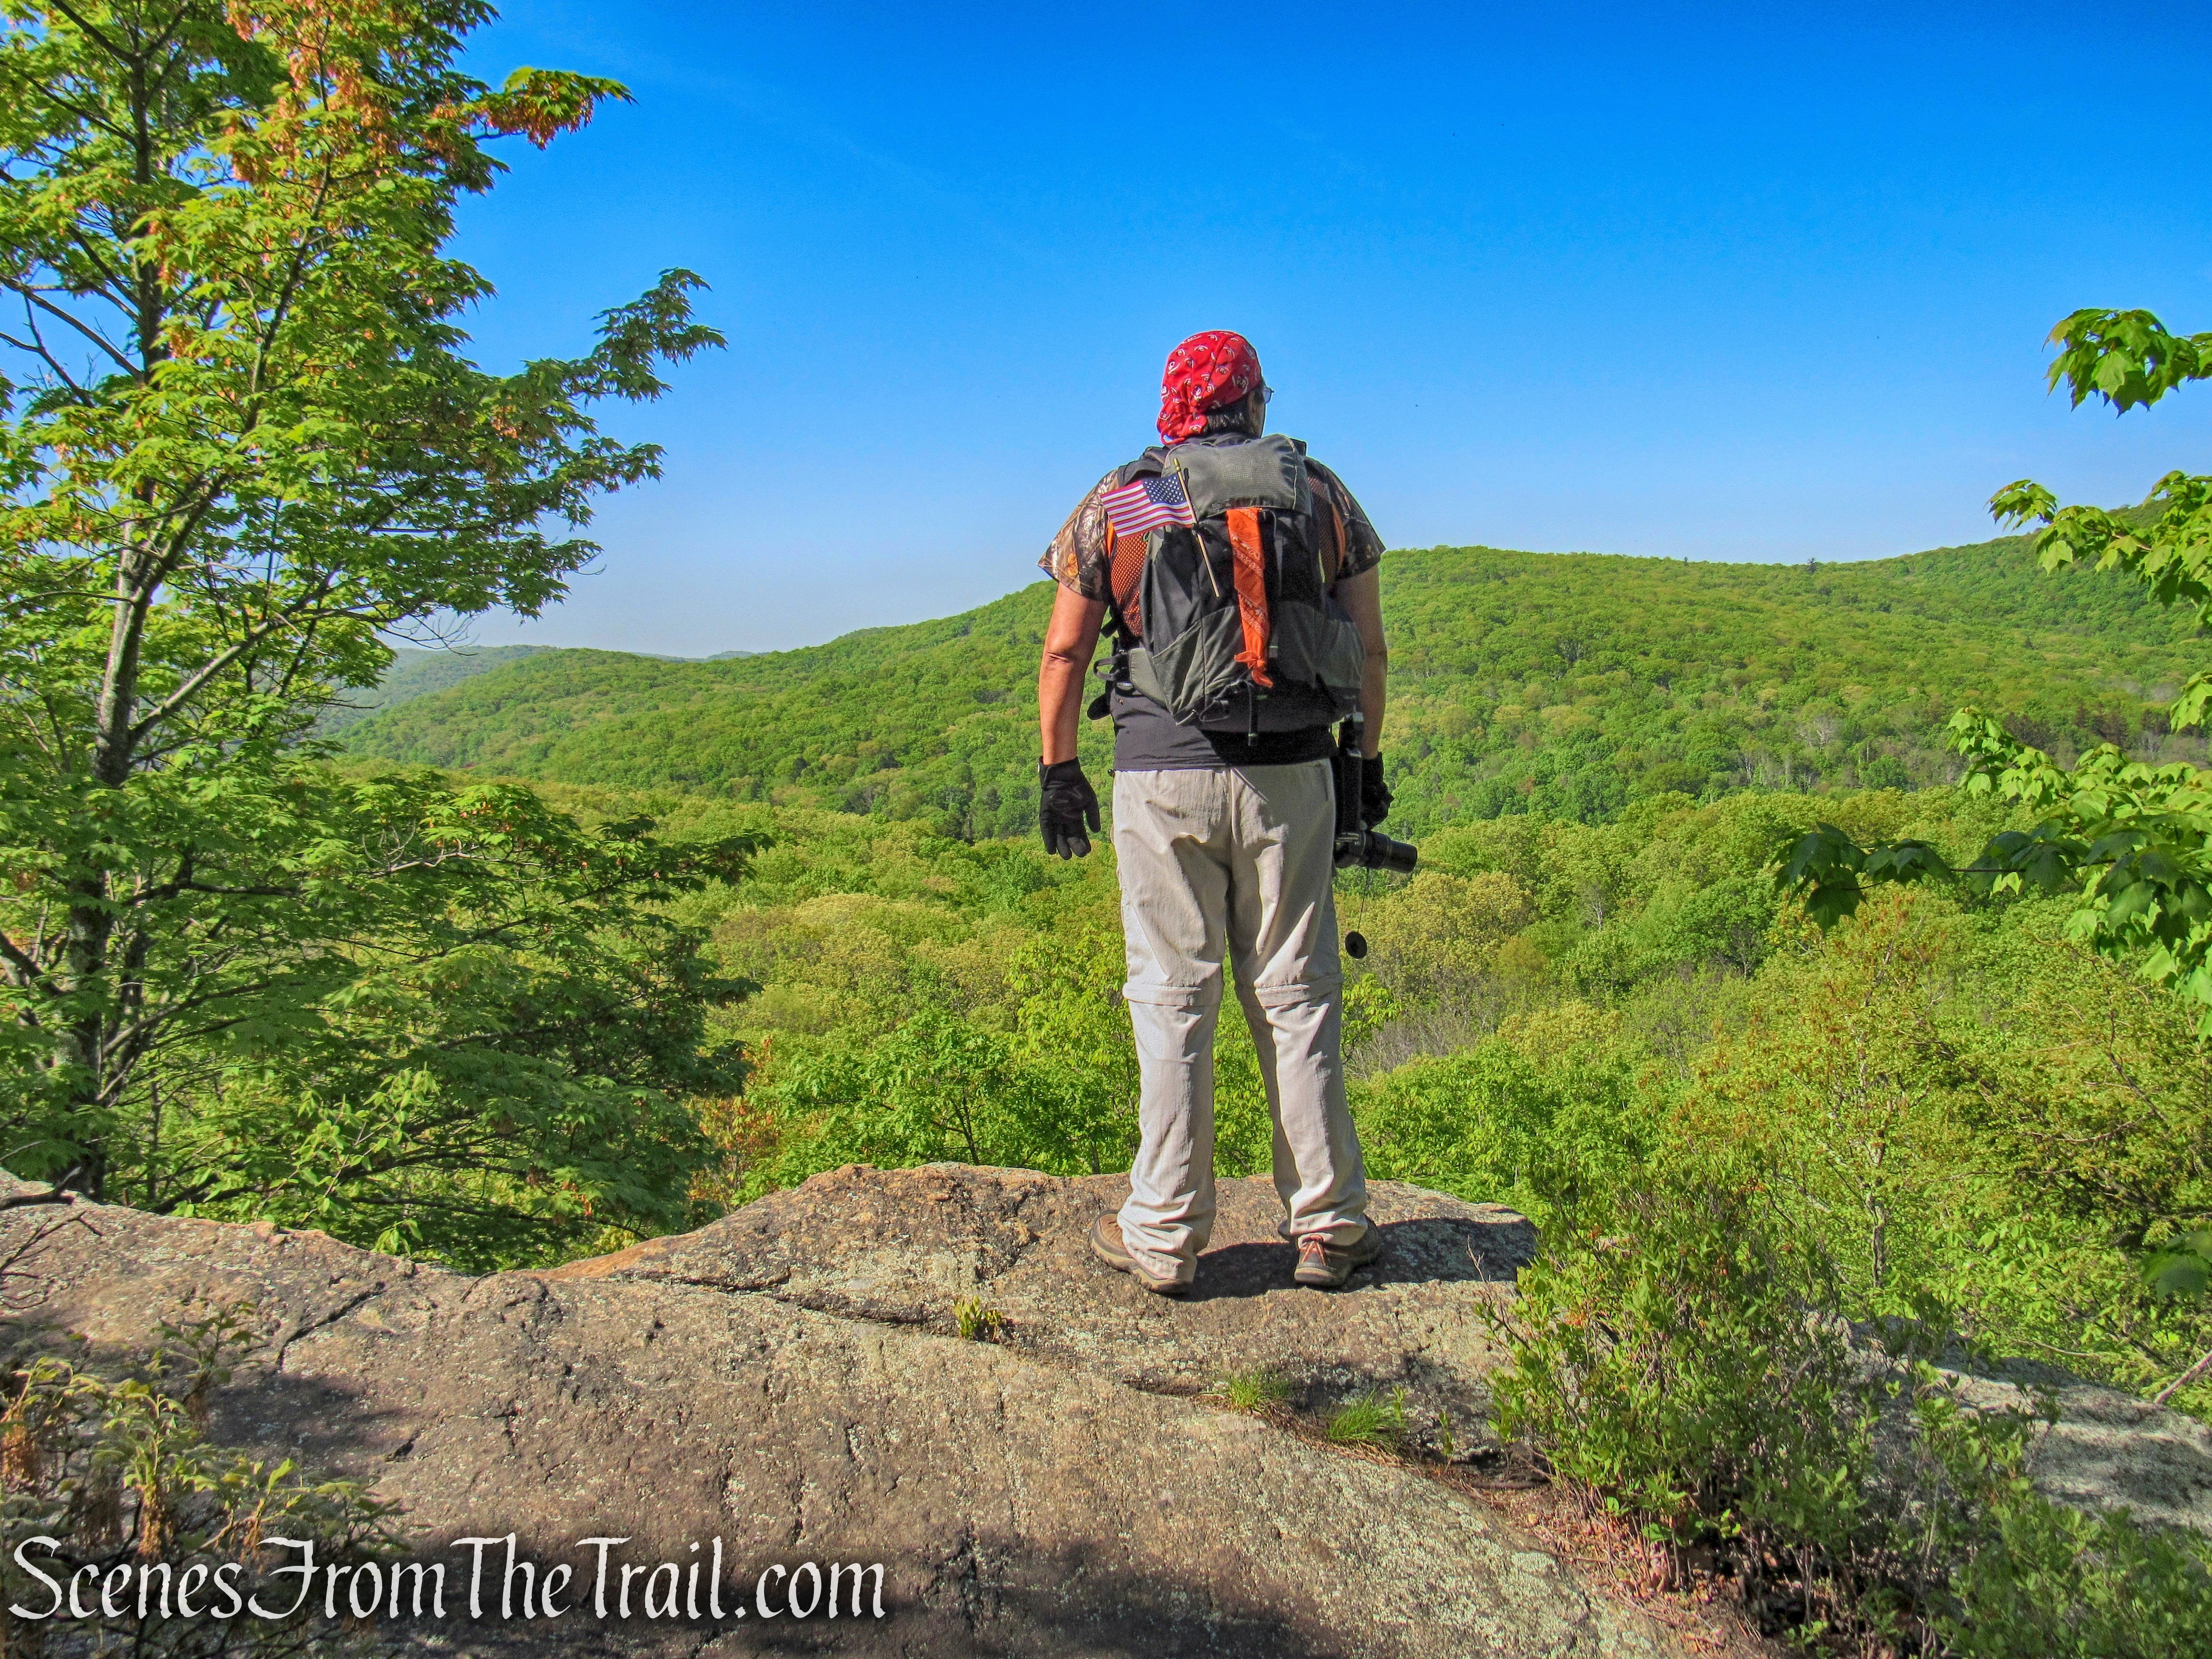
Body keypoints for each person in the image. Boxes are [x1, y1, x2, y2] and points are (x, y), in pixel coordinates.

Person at [1034, 330, 1393, 1295]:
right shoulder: (1318, 493)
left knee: (1172, 994)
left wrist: (1058, 769)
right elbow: (1369, 650)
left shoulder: (1130, 496)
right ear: (1257, 401)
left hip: (1161, 773)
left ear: (1175, 401)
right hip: (1294, 772)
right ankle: (1328, 1225)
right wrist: (1364, 762)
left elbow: (1066, 653)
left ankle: (1162, 1235)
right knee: (1297, 993)